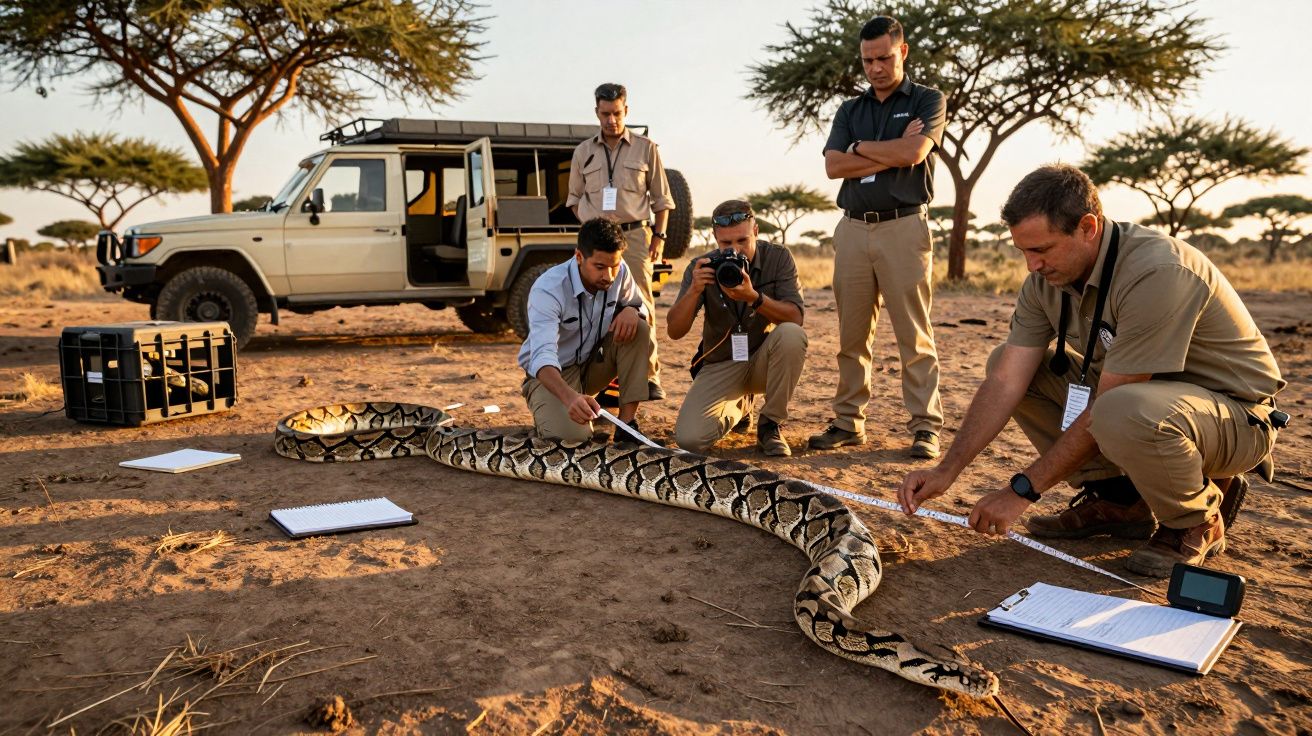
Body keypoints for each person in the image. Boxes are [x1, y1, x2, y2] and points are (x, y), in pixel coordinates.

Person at [898, 164, 1286, 577]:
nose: (1031, 266)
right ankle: (1121, 500)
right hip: (1145, 406)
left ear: (1087, 226)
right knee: (1007, 364)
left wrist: (1021, 491)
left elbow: (1108, 405)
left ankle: (1195, 519)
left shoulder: (1157, 271)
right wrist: (946, 471)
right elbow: (1005, 380)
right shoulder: (1045, 281)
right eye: (1023, 252)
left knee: (1120, 407)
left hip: (1237, 420)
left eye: (1042, 250)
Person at [808, 15, 948, 460]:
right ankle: (848, 422)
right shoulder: (850, 110)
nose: (875, 68)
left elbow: (914, 152)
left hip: (905, 227)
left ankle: (925, 426)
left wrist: (858, 149)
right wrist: (884, 152)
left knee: (914, 334)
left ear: (902, 52)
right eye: (868, 60)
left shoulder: (929, 100)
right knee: (851, 335)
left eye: (884, 58)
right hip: (851, 228)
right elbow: (833, 168)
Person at [667, 200, 807, 456]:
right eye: (726, 244)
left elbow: (796, 317)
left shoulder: (778, 258)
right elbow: (675, 331)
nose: (735, 250)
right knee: (690, 440)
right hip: (721, 363)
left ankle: (770, 426)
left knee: (791, 335)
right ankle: (740, 408)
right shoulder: (702, 266)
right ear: (715, 238)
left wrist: (754, 298)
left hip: (764, 360)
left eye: (742, 241)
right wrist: (694, 290)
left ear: (755, 231)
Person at [567, 82, 675, 402]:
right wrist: (590, 229)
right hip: (597, 239)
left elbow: (662, 200)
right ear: (596, 113)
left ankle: (648, 375)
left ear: (626, 110)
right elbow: (574, 199)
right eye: (605, 114)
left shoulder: (647, 148)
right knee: (597, 304)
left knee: (641, 304)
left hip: (636, 236)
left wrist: (659, 237)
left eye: (616, 113)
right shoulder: (583, 152)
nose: (611, 120)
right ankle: (601, 378)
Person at [518, 218, 655, 443]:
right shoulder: (548, 289)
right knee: (573, 440)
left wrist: (632, 309)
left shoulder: (620, 271)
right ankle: (549, 411)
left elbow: (638, 304)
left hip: (593, 366)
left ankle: (627, 426)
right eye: (600, 267)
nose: (609, 276)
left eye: (614, 266)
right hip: (553, 376)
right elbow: (541, 357)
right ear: (579, 257)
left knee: (639, 327)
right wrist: (569, 397)